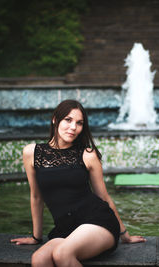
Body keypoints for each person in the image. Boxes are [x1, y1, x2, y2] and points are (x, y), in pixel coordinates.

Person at [11, 99, 146, 267]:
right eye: (68, 120)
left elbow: (103, 196)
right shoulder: (31, 153)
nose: (73, 127)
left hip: (97, 221)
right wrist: (36, 237)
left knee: (62, 254)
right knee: (39, 259)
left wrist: (124, 234)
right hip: (65, 229)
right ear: (55, 119)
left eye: (79, 123)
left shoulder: (88, 154)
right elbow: (36, 196)